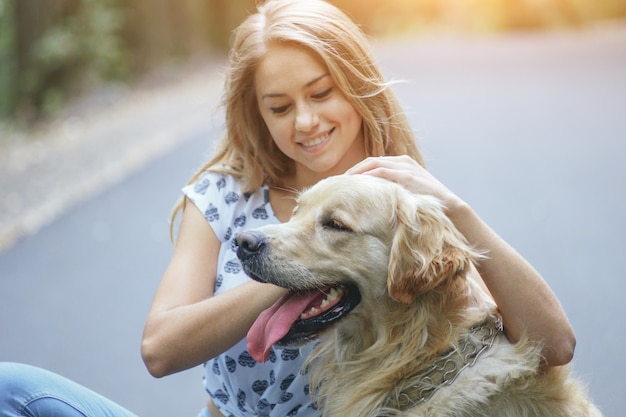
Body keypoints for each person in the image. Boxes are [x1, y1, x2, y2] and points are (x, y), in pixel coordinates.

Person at [0, 0, 576, 416]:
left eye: (321, 94)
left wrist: (455, 211)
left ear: (356, 86)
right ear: (258, 114)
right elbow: (159, 348)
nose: (305, 122)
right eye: (279, 106)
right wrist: (288, 265)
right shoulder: (225, 197)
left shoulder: (400, 205)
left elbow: (552, 347)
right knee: (11, 388)